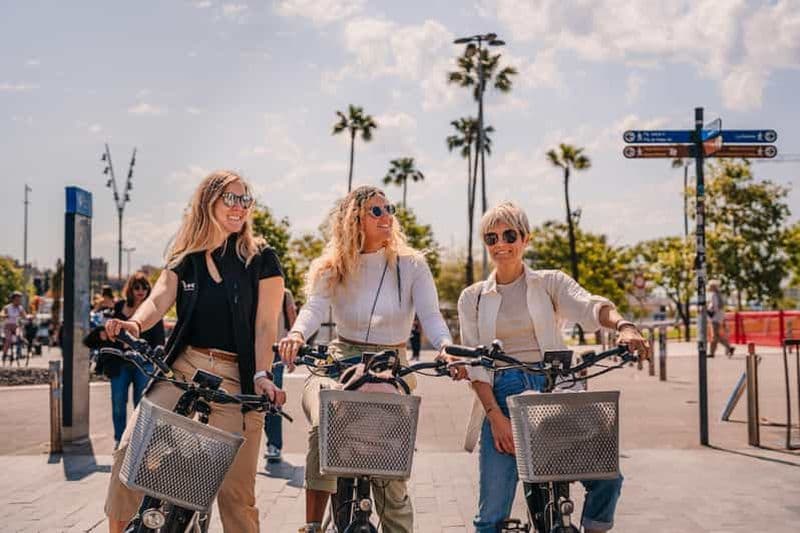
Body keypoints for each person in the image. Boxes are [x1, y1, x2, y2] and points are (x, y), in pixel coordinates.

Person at [103, 170, 286, 533]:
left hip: (238, 377)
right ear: (209, 201)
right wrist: (135, 325)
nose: (240, 206)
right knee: (129, 456)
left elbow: (267, 326)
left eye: (245, 198)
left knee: (237, 495)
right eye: (231, 198)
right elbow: (159, 298)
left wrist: (263, 375)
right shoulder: (186, 256)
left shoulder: (262, 257)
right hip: (183, 369)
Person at [452, 202, 650, 533]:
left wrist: (624, 326)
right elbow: (476, 364)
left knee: (608, 478)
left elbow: (591, 306)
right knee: (490, 518)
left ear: (526, 239)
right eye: (491, 237)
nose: (501, 243)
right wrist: (496, 419)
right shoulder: (472, 298)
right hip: (502, 395)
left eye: (510, 234)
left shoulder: (549, 283)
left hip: (556, 388)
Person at [278, 185, 453, 533]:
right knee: (323, 421)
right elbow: (313, 309)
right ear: (354, 218)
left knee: (391, 473)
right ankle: (313, 526)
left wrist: (446, 347)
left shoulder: (412, 265)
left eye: (388, 209)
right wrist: (296, 334)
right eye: (376, 211)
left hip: (392, 366)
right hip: (340, 360)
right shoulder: (333, 267)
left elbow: (431, 317)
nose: (386, 216)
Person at [108, 272, 165, 448]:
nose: (141, 291)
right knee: (118, 402)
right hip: (120, 363)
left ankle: (138, 441)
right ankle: (120, 440)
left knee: (141, 404)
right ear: (130, 289)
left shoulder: (152, 312)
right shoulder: (119, 307)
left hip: (143, 364)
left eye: (145, 287)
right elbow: (109, 332)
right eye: (137, 287)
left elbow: (159, 340)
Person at [264, 287, 297, 465]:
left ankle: (274, 445)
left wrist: (292, 355)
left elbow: (293, 322)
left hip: (276, 352)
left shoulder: (285, 293)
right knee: (254, 399)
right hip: (255, 351)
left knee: (274, 398)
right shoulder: (253, 286)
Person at [708, 279, 734, 357]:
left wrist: (709, 311)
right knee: (716, 336)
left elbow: (715, 307)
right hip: (719, 317)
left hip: (715, 318)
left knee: (715, 336)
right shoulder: (720, 295)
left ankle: (728, 347)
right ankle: (712, 352)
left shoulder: (714, 295)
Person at [2, 291, 26, 361]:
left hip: (16, 326)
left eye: (19, 299)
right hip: (8, 326)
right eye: (17, 299)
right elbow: (2, 313)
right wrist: (5, 315)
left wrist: (28, 317)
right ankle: (4, 354)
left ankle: (19, 353)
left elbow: (25, 315)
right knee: (8, 340)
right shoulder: (7, 307)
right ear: (13, 299)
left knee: (20, 337)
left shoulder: (20, 308)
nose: (18, 301)